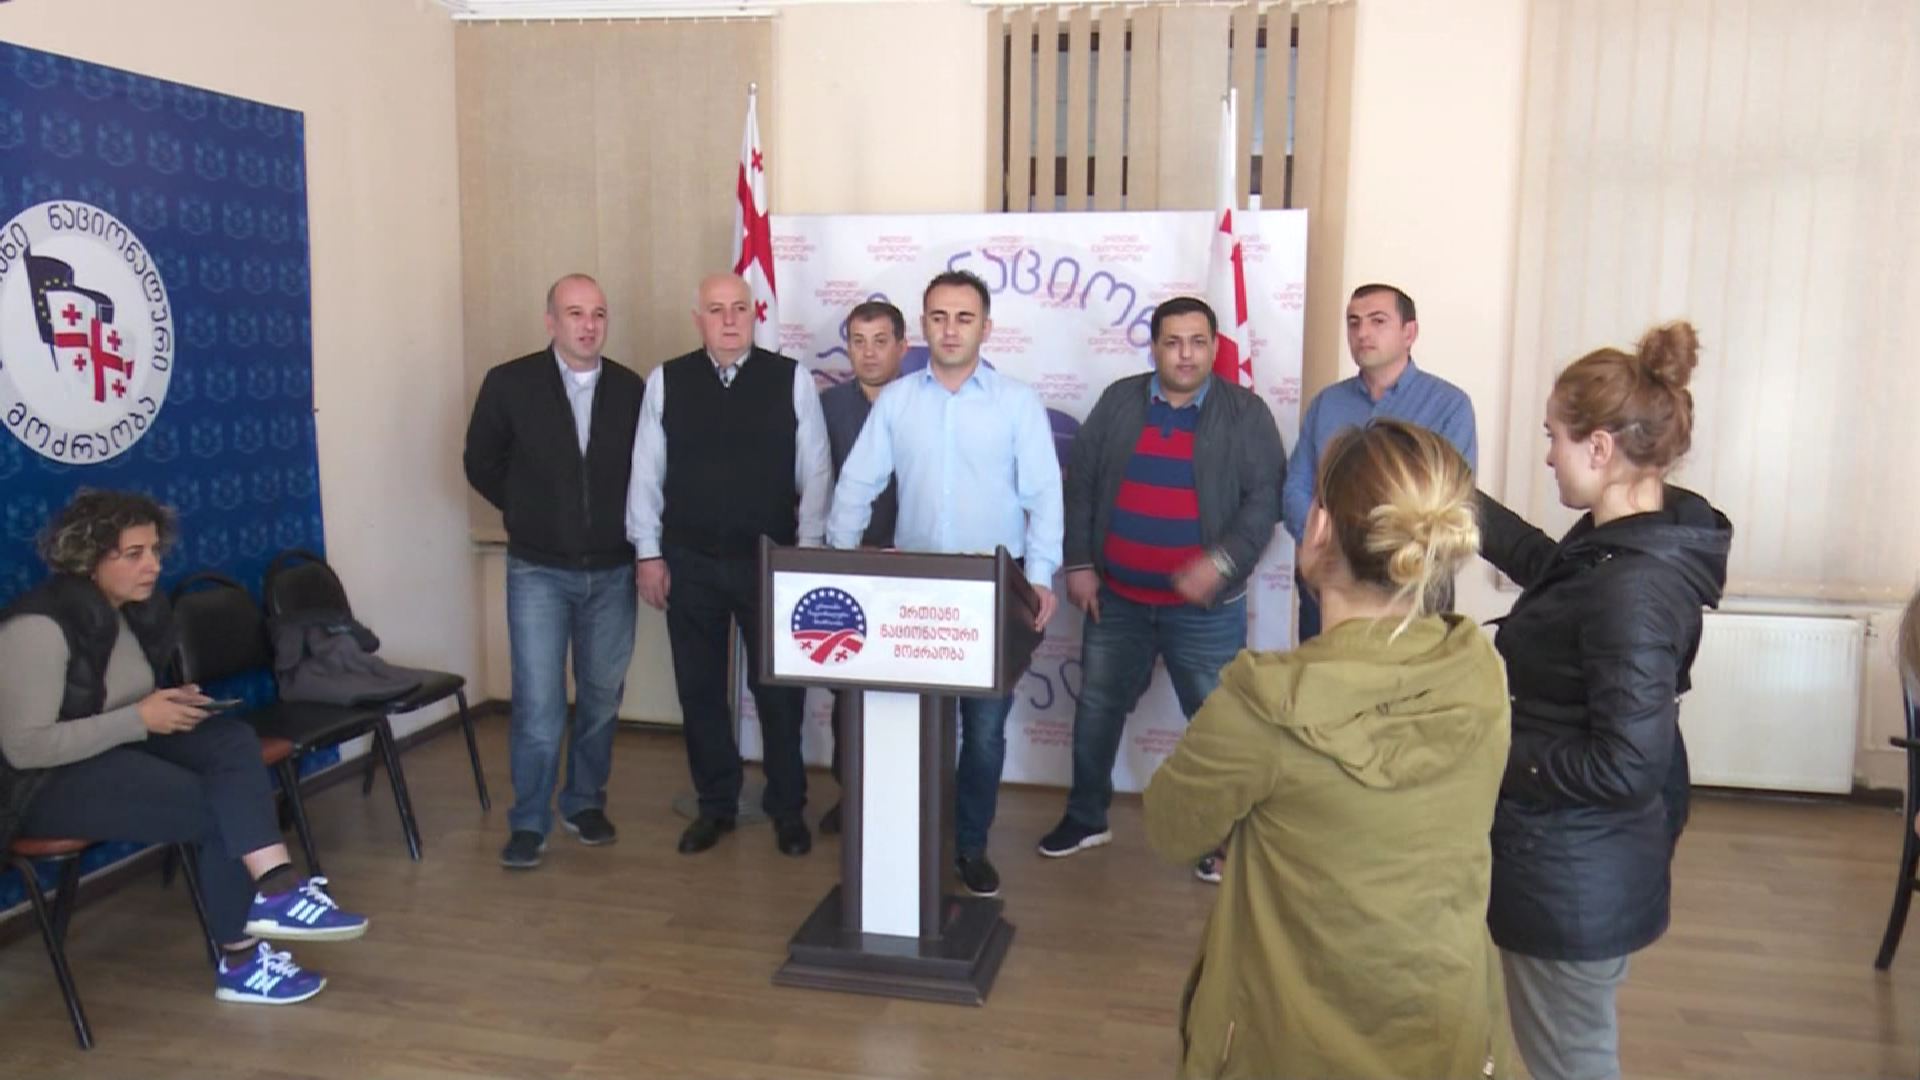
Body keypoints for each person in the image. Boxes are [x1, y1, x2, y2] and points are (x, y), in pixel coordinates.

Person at [1142, 420, 1513, 1079]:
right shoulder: (1480, 671)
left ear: (1318, 530)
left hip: (1286, 1044)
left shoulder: (1261, 707)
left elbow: (1171, 829)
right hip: (1446, 1026)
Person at [1477, 321, 1730, 1080]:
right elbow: (1553, 570)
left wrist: (1483, 748)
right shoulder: (1630, 538)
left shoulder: (1635, 585)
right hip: (1582, 859)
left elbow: (1624, 766)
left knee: (1573, 1062)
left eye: (1552, 437)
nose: (1546, 455)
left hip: (1571, 874)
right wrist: (1459, 500)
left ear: (1598, 447)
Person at [0, 490, 369, 1005]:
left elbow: (111, 700)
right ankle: (240, 963)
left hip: (111, 750)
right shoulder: (37, 628)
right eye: (134, 554)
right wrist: (140, 717)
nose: (153, 565)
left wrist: (166, 703)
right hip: (41, 787)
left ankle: (278, 887)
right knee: (216, 809)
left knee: (230, 741)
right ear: (87, 558)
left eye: (154, 551)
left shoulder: (127, 611)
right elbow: (24, 748)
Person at [827, 269, 1062, 899]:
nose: (950, 329)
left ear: (986, 327)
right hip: (914, 596)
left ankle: (969, 847)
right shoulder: (899, 401)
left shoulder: (1017, 402)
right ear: (923, 326)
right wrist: (838, 561)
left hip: (993, 595)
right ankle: (908, 844)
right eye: (938, 317)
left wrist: (1041, 577)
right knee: (912, 729)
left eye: (963, 318)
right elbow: (856, 485)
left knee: (983, 734)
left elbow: (1045, 496)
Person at [1036, 296, 1286, 886]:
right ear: (1154, 347)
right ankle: (1086, 817)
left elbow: (1264, 501)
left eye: (1198, 342)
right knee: (1097, 711)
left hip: (1205, 610)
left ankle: (1223, 839)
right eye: (1172, 342)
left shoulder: (1245, 413)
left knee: (1218, 724)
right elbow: (1081, 485)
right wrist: (1079, 564)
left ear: (1215, 346)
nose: (1185, 355)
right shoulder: (1120, 401)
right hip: (1116, 600)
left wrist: (1219, 563)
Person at [628, 273, 833, 858]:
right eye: (715, 310)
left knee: (779, 695)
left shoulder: (790, 379)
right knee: (699, 691)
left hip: (768, 564)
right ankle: (715, 804)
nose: (728, 320)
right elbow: (646, 472)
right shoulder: (666, 381)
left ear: (754, 314)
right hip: (689, 562)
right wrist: (648, 552)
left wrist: (805, 554)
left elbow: (816, 470)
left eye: (739, 308)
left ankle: (787, 808)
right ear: (698, 319)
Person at [464, 274, 645, 870]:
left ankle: (584, 802)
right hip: (538, 571)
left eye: (598, 314)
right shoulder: (510, 383)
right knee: (539, 705)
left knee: (601, 698)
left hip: (612, 573)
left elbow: (648, 474)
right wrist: (525, 510)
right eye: (574, 313)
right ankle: (529, 820)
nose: (588, 325)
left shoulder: (631, 389)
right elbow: (480, 461)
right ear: (550, 322)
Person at [1281, 283, 1477, 640]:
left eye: (1377, 321)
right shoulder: (1327, 403)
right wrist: (1330, 550)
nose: (1362, 333)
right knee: (1324, 673)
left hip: (1411, 588)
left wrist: (1365, 554)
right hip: (1330, 590)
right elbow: (1297, 488)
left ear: (1409, 333)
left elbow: (1451, 498)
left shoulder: (1449, 405)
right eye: (1353, 322)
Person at [816, 300, 906, 836]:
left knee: (903, 693)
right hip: (846, 567)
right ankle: (851, 794)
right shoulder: (827, 407)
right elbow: (815, 483)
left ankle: (901, 799)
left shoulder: (923, 403)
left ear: (901, 346)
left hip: (911, 569)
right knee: (847, 691)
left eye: (880, 341)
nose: (869, 353)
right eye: (858, 341)